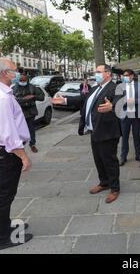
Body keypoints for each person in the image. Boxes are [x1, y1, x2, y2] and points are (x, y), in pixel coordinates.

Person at [0, 57, 33, 250]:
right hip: (6, 152)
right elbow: (8, 133)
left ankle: (4, 224)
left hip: (0, 150)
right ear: (4, 73)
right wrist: (24, 156)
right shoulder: (0, 97)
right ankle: (2, 238)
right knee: (4, 195)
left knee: (5, 193)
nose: (17, 72)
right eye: (14, 69)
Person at [51, 65, 122, 204]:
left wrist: (113, 106)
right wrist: (65, 100)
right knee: (98, 159)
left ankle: (115, 188)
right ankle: (104, 182)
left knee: (109, 160)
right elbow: (82, 99)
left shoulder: (115, 88)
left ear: (108, 74)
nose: (96, 74)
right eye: (96, 72)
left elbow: (121, 102)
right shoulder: (95, 88)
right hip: (94, 130)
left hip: (108, 132)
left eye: (98, 72)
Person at [118, 69, 140, 166]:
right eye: (124, 75)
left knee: (136, 136)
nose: (124, 77)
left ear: (132, 76)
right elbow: (117, 99)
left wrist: (135, 101)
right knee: (124, 137)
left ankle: (138, 155)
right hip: (125, 115)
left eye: (126, 75)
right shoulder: (120, 86)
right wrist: (125, 101)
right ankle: (123, 156)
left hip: (136, 114)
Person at [12, 73, 45, 153]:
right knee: (20, 129)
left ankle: (32, 144)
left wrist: (33, 96)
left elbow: (42, 97)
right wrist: (24, 99)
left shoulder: (32, 87)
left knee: (31, 129)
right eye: (21, 80)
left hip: (31, 111)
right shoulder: (14, 88)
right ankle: (21, 145)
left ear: (27, 80)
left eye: (24, 80)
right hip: (20, 112)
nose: (22, 81)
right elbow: (12, 100)